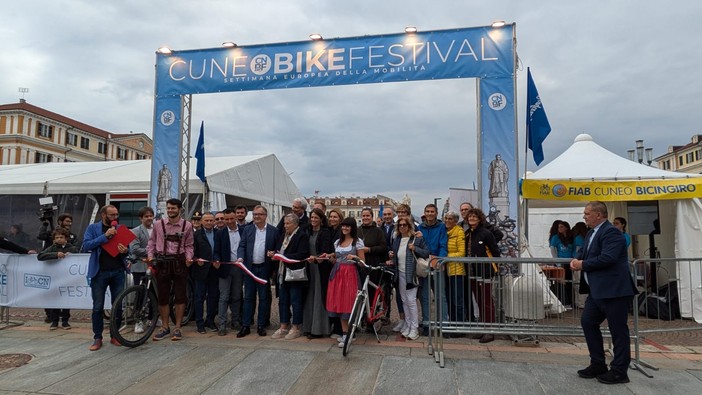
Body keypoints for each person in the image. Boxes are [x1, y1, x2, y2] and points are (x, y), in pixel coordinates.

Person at [570, 201, 637, 385]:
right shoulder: (592, 232)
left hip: (614, 290)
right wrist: (577, 260)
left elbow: (608, 257)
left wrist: (582, 264)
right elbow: (586, 252)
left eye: (587, 213)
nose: (584, 216)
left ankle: (619, 371)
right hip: (597, 291)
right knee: (588, 322)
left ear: (599, 215)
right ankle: (598, 363)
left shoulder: (612, 232)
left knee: (618, 330)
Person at [83, 205, 130, 351]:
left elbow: (128, 250)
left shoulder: (121, 228)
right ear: (103, 215)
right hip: (99, 272)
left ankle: (115, 335)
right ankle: (97, 337)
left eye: (116, 215)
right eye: (112, 215)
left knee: (117, 305)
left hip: (117, 271)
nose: (115, 218)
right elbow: (85, 246)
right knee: (98, 306)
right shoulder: (93, 228)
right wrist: (105, 236)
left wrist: (125, 251)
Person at [147, 198, 195, 341]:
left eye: (173, 208)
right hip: (163, 262)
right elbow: (152, 243)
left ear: (180, 209)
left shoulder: (187, 225)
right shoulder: (158, 224)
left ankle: (178, 327)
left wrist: (189, 258)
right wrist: (150, 256)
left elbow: (189, 245)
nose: (170, 211)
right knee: (162, 296)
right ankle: (165, 327)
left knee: (180, 295)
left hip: (179, 262)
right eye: (168, 208)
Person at [236, 205, 277, 338]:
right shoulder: (247, 230)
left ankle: (261, 325)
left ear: (265, 216)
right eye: (254, 214)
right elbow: (242, 245)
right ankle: (246, 325)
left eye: (259, 214)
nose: (256, 217)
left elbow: (277, 248)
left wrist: (274, 253)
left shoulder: (273, 231)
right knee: (248, 297)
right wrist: (240, 257)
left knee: (264, 298)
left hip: (264, 268)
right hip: (249, 268)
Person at [326, 217, 365, 348]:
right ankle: (345, 333)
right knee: (339, 303)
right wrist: (330, 258)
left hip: (350, 274)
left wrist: (355, 258)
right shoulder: (337, 242)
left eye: (347, 226)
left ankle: (350, 334)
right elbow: (336, 260)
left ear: (352, 228)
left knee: (348, 303)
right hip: (337, 274)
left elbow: (363, 263)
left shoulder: (357, 242)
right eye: (343, 226)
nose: (344, 228)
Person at [271, 214, 310, 340]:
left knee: (295, 301)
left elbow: (302, 254)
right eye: (284, 223)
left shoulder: (302, 236)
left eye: (288, 224)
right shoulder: (284, 235)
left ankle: (296, 327)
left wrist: (285, 257)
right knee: (283, 300)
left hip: (295, 274)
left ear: (295, 224)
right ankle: (283, 325)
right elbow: (279, 250)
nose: (285, 226)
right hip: (282, 273)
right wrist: (274, 254)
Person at [465, 207, 501, 343]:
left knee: (487, 301)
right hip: (473, 273)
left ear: (480, 219)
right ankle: (483, 327)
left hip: (485, 272)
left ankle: (490, 330)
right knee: (479, 301)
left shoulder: (486, 233)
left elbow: (495, 251)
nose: (472, 219)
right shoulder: (468, 233)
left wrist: (492, 269)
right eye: (470, 217)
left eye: (474, 217)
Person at [390, 217, 428, 340]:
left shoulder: (416, 238)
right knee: (404, 300)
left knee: (411, 300)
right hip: (399, 273)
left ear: (409, 226)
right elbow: (397, 256)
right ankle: (407, 324)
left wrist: (415, 248)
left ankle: (414, 328)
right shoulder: (397, 239)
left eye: (404, 225)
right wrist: (392, 255)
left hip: (411, 274)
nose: (402, 227)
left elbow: (427, 252)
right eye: (400, 225)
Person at [37, 228, 78, 330]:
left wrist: (72, 256)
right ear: (54, 239)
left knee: (66, 300)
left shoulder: (72, 248)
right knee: (55, 299)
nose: (59, 239)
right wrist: (55, 255)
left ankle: (65, 321)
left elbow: (79, 257)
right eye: (57, 238)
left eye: (61, 237)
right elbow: (40, 256)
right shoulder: (52, 248)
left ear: (66, 238)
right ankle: (54, 321)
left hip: (67, 278)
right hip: (55, 278)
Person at [417, 204, 448, 336]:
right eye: (427, 211)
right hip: (424, 264)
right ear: (424, 213)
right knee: (424, 296)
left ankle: (444, 324)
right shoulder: (420, 227)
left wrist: (439, 260)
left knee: (440, 296)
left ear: (436, 213)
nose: (429, 214)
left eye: (432, 212)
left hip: (436, 264)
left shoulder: (441, 227)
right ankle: (426, 323)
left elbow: (443, 244)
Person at [302, 208, 333, 338]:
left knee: (319, 296)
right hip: (308, 268)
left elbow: (326, 250)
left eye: (316, 218)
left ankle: (319, 329)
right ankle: (308, 327)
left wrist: (316, 258)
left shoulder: (325, 233)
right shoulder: (307, 231)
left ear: (321, 219)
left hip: (320, 268)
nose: (313, 220)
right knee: (309, 296)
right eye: (312, 217)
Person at [212, 208, 244, 336]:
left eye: (232, 218)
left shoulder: (243, 231)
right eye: (227, 219)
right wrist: (217, 260)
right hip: (225, 268)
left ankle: (235, 321)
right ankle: (222, 324)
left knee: (236, 296)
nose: (230, 221)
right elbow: (216, 251)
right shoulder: (220, 233)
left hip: (239, 268)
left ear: (236, 218)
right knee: (223, 297)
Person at [192, 212, 220, 334]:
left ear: (214, 222)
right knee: (199, 297)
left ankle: (210, 320)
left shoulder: (219, 234)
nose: (209, 223)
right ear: (202, 222)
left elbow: (221, 249)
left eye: (211, 220)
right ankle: (199, 323)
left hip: (214, 270)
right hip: (200, 270)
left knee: (213, 297)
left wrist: (218, 259)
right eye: (206, 221)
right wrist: (196, 259)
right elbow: (191, 250)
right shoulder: (196, 235)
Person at [444, 211, 467, 323]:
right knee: (448, 299)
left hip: (456, 271)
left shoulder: (459, 232)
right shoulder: (445, 232)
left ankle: (460, 324)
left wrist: (444, 256)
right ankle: (452, 322)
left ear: (456, 221)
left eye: (450, 219)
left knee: (457, 299)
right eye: (446, 218)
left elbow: (461, 253)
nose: (447, 221)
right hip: (446, 270)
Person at [326, 207, 345, 337]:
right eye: (331, 217)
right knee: (332, 298)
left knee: (339, 298)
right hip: (329, 266)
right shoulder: (329, 230)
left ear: (340, 218)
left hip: (338, 267)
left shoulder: (340, 233)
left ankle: (340, 328)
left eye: (335, 217)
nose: (332, 219)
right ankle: (334, 325)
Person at [550, 220, 575, 307]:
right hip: (560, 262)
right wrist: (557, 261)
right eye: (559, 227)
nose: (559, 229)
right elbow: (553, 249)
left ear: (566, 228)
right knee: (561, 282)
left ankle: (569, 301)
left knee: (569, 282)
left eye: (561, 227)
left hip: (570, 262)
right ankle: (562, 301)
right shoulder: (555, 237)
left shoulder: (571, 237)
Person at [128, 207, 154, 290]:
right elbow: (134, 249)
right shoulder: (135, 231)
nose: (149, 218)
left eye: (151, 216)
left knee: (154, 293)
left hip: (155, 267)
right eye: (146, 216)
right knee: (140, 294)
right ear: (141, 218)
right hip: (140, 267)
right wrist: (152, 251)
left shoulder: (157, 230)